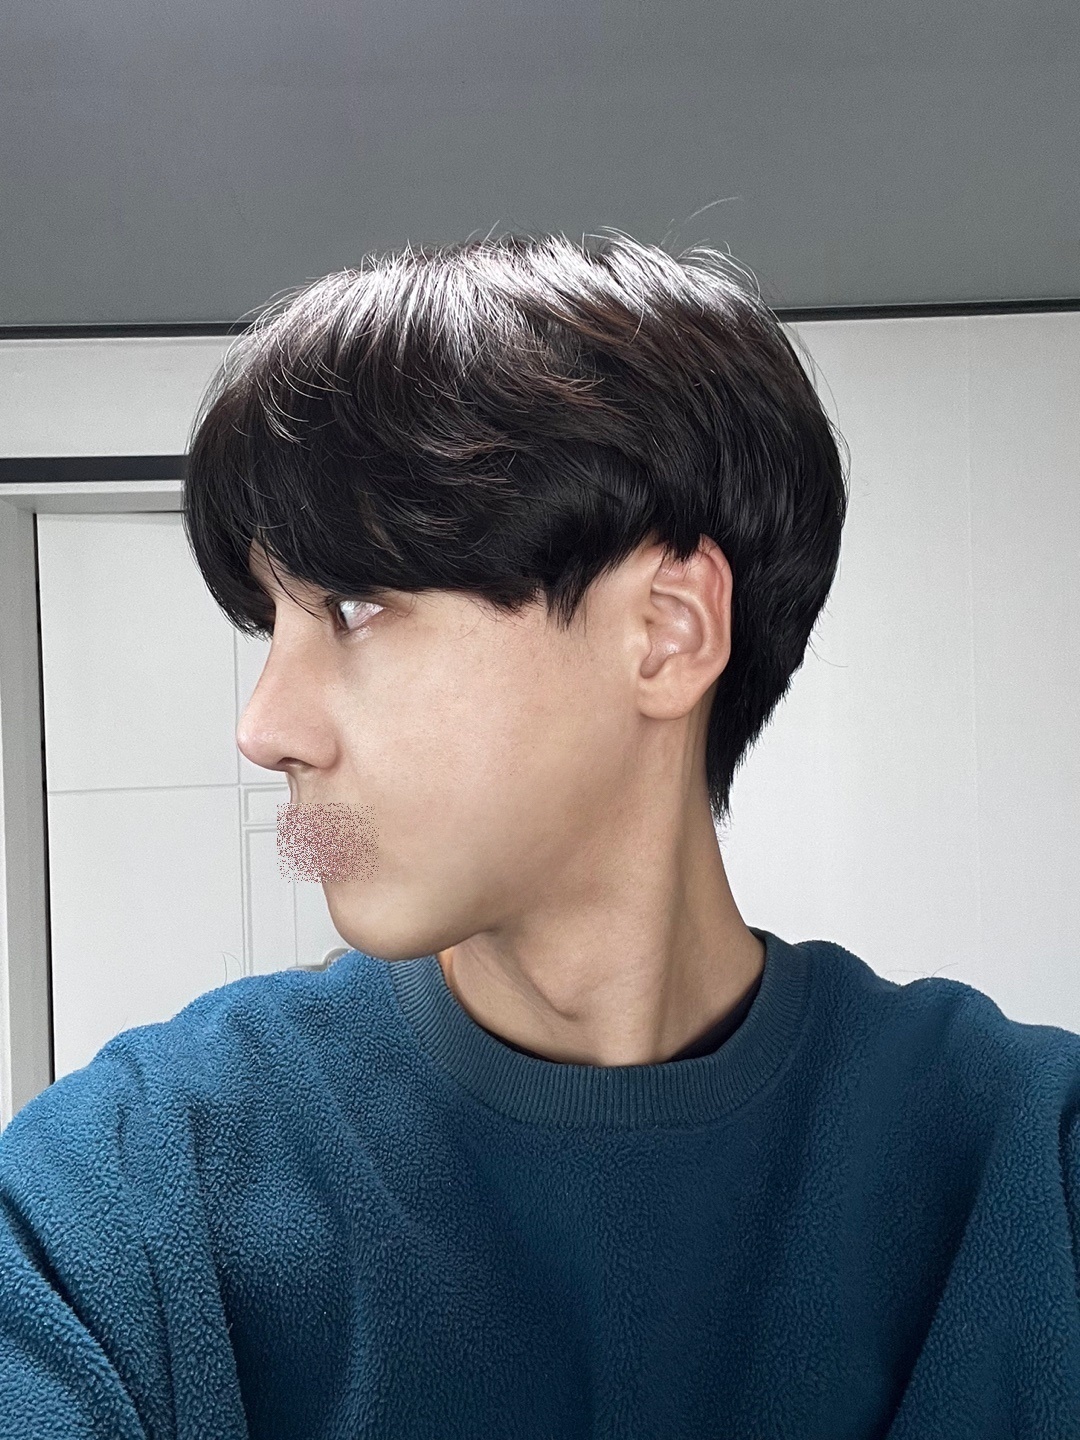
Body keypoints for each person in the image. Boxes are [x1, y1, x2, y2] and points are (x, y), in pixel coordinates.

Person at [2, 230, 1078, 1438]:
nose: (265, 729)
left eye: (355, 606)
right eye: (273, 625)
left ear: (666, 633)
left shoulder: (1033, 1167)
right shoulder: (125, 1193)